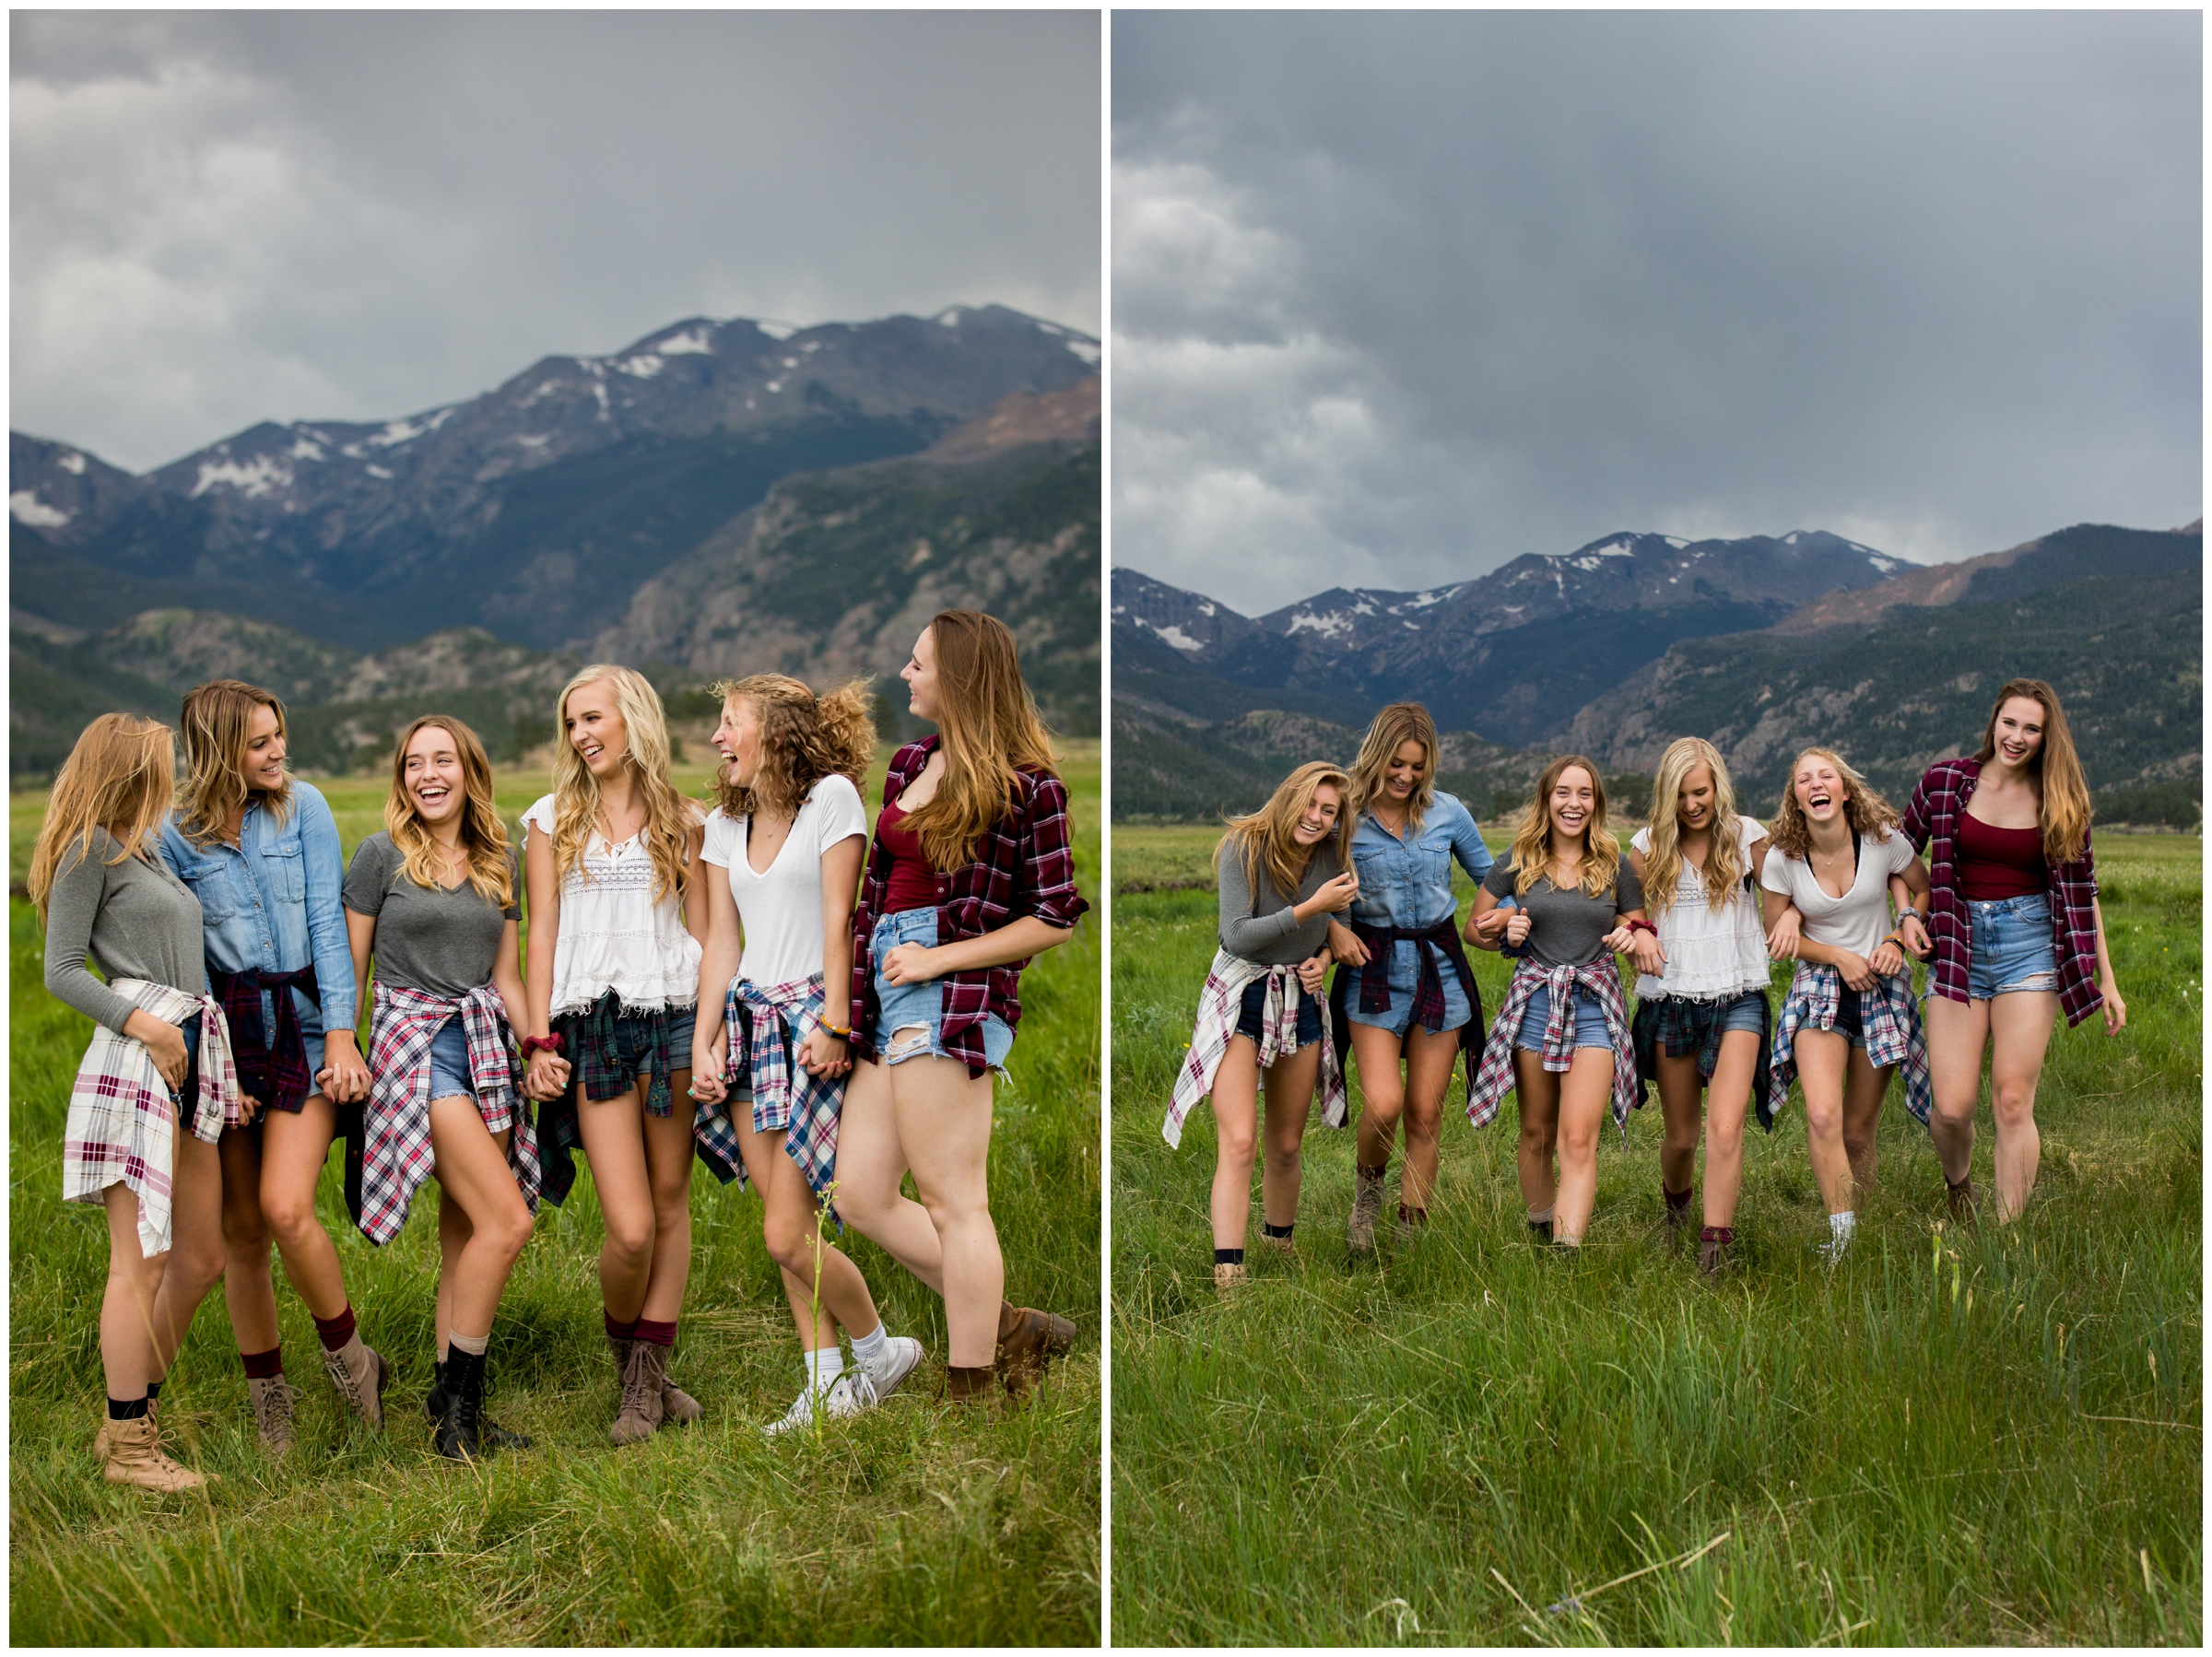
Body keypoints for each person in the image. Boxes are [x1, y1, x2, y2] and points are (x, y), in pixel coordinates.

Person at [836, 610, 1088, 1408]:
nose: (905, 675)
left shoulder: (1029, 787)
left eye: (918, 664)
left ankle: (973, 1382)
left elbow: (1053, 916)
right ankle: (1010, 1326)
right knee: (860, 1195)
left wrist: (939, 955)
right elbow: (879, 888)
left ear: (962, 677)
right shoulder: (913, 760)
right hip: (888, 982)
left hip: (951, 993)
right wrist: (856, 994)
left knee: (954, 1200)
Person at [688, 673, 926, 1433]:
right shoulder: (725, 825)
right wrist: (706, 1038)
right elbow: (723, 941)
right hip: (750, 1026)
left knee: (786, 1231)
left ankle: (878, 1351)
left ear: (775, 730)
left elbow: (839, 921)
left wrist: (835, 1021)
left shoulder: (832, 801)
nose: (719, 737)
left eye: (731, 722)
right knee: (787, 1228)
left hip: (811, 1025)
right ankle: (826, 1384)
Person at [159, 680, 379, 1457]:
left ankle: (354, 1366)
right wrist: (218, 1075)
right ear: (219, 749)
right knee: (244, 1230)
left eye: (279, 735)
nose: (278, 751)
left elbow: (326, 922)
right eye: (259, 742)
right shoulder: (172, 835)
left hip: (310, 1026)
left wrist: (345, 1035)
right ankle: (270, 1402)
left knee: (287, 1208)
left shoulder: (305, 806)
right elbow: (185, 963)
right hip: (227, 1039)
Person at [35, 714, 248, 1490]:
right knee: (142, 1260)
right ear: (130, 767)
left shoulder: (147, 847)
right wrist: (149, 1027)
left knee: (198, 1258)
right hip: (140, 1059)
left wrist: (212, 1067)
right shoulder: (89, 848)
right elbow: (62, 970)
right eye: (161, 760)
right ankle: (129, 1446)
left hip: (189, 1056)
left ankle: (132, 1419)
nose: (172, 770)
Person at [344, 716, 548, 1459]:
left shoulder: (499, 859)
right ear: (401, 778)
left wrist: (538, 1046)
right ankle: (454, 1407)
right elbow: (352, 970)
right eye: (414, 764)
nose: (429, 775)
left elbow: (507, 977)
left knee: (466, 1236)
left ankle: (453, 1408)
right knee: (507, 1222)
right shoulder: (379, 857)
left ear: (469, 769)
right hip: (416, 1047)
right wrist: (346, 1045)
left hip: (485, 1045)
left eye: (444, 761)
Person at [522, 664, 709, 1445]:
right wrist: (536, 1039)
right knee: (630, 1228)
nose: (581, 735)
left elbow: (704, 935)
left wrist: (711, 1035)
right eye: (571, 723)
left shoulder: (686, 821)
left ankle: (646, 1380)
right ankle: (625, 1355)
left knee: (671, 1204)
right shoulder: (551, 819)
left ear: (633, 718)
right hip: (591, 1026)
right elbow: (541, 934)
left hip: (672, 1019)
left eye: (593, 718)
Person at [1901, 678, 2126, 1223]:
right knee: (1951, 1110)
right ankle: (1959, 1189)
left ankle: (2007, 1241)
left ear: (2048, 738)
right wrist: (1907, 913)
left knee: (2010, 1100)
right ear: (1993, 722)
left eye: (2032, 728)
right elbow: (1896, 853)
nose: (2018, 737)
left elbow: (2083, 895)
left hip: (2032, 950)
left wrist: (2108, 981)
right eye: (2010, 723)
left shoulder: (2062, 801)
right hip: (1958, 946)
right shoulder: (1945, 781)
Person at [1164, 762, 1359, 1287]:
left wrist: (1324, 953)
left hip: (1300, 994)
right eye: (1310, 804)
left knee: (1287, 1144)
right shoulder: (1243, 847)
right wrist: (1309, 909)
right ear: (1288, 797)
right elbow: (1236, 935)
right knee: (1240, 1141)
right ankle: (1229, 1273)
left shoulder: (1334, 855)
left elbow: (1344, 916)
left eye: (1329, 811)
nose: (1316, 818)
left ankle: (1280, 1245)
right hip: (1243, 994)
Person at [1464, 757, 1660, 1251]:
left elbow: (1640, 929)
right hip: (1534, 1002)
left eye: (1585, 794)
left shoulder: (1614, 863)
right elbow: (1474, 929)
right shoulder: (1518, 858)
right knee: (1536, 1130)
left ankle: (1565, 1252)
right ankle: (1540, 1226)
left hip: (1595, 1003)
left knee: (1578, 1137)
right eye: (1564, 793)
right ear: (1547, 799)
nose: (1574, 804)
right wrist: (1505, 932)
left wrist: (1630, 935)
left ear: (1597, 803)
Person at [1326, 702, 1494, 1252]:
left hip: (1440, 965)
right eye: (1397, 763)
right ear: (1377, 755)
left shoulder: (1447, 813)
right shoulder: (1344, 817)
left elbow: (1494, 878)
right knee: (1384, 1104)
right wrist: (1331, 933)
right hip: (1370, 967)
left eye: (1418, 767)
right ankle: (1366, 1206)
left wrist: (1512, 913)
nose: (1406, 776)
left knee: (1425, 1113)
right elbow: (1309, 886)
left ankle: (1409, 1233)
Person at [1759, 747, 1935, 1263]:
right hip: (1819, 988)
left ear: (1844, 789)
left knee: (1859, 1134)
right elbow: (1775, 933)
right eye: (1803, 780)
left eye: (1825, 776)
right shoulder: (1782, 857)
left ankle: (1866, 1238)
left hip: (1882, 988)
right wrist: (1835, 954)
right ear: (1795, 798)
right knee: (1820, 1114)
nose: (1815, 785)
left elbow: (1921, 892)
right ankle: (1840, 1238)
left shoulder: (1882, 841)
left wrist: (1897, 936)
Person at [1625, 737, 1775, 1275]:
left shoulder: (1747, 837)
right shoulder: (1645, 847)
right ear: (1668, 796)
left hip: (1739, 995)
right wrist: (1637, 932)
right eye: (1682, 796)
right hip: (1671, 998)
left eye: (1702, 792)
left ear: (1718, 788)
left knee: (1725, 1128)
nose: (1693, 805)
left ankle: (1715, 1251)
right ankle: (1675, 1214)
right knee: (1682, 1138)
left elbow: (1790, 891)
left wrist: (1796, 921)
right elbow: (1626, 913)